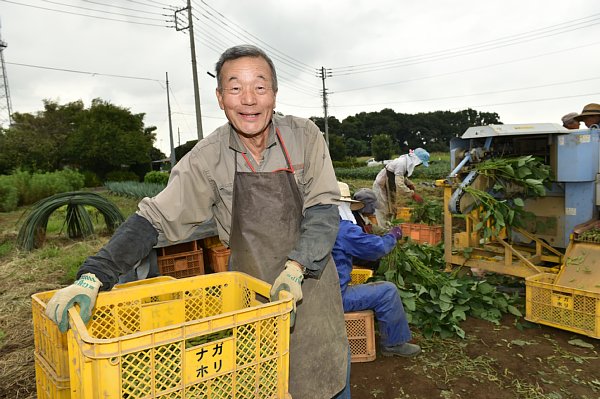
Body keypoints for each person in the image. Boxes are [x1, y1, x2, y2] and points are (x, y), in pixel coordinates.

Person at [44, 45, 349, 398]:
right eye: (235, 88)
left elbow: (324, 209)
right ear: (220, 98)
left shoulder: (304, 136)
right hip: (251, 300)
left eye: (260, 87)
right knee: (264, 384)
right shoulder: (208, 157)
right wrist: (93, 274)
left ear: (274, 94)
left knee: (326, 379)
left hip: (308, 285)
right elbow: (154, 219)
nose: (248, 99)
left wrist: (295, 268)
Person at [333, 182, 421, 358]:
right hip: (335, 298)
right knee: (387, 291)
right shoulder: (343, 229)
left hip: (314, 296)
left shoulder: (314, 226)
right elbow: (376, 248)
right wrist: (392, 237)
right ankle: (394, 344)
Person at [372, 148, 430, 226]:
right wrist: (412, 195)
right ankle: (384, 232)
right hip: (381, 187)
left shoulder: (405, 162)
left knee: (392, 209)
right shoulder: (401, 163)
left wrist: (409, 183)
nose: (419, 165)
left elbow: (400, 176)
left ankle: (390, 229)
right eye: (420, 163)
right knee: (383, 210)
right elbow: (399, 185)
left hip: (389, 186)